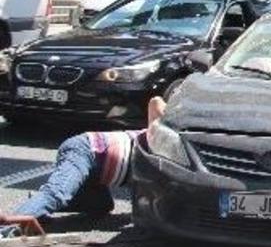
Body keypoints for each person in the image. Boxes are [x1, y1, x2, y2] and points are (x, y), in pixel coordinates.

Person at [0, 96, 167, 238]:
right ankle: (4, 229)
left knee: (102, 205)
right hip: (86, 150)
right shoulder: (163, 135)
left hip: (97, 176)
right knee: (57, 194)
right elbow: (155, 101)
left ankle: (38, 202)